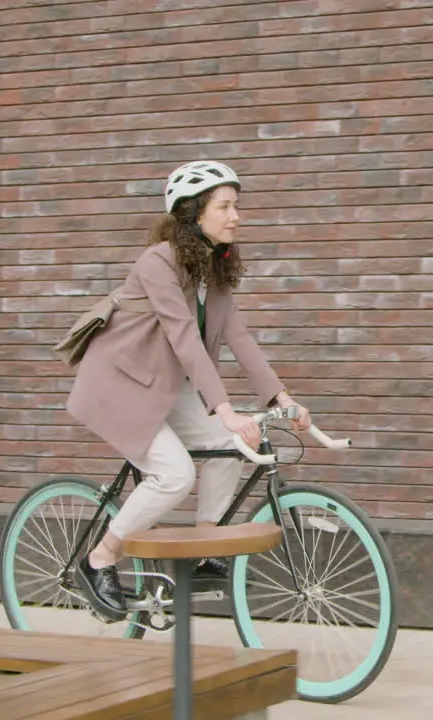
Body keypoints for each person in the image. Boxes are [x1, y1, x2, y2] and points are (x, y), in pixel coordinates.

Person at [64, 160, 312, 621]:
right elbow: (183, 337)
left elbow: (239, 338)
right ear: (193, 212)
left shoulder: (213, 268)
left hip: (164, 384)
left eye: (236, 206)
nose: (236, 215)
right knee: (175, 474)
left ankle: (203, 549)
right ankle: (99, 559)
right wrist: (223, 407)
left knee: (233, 443)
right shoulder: (158, 261)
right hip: (119, 385)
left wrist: (279, 398)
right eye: (225, 206)